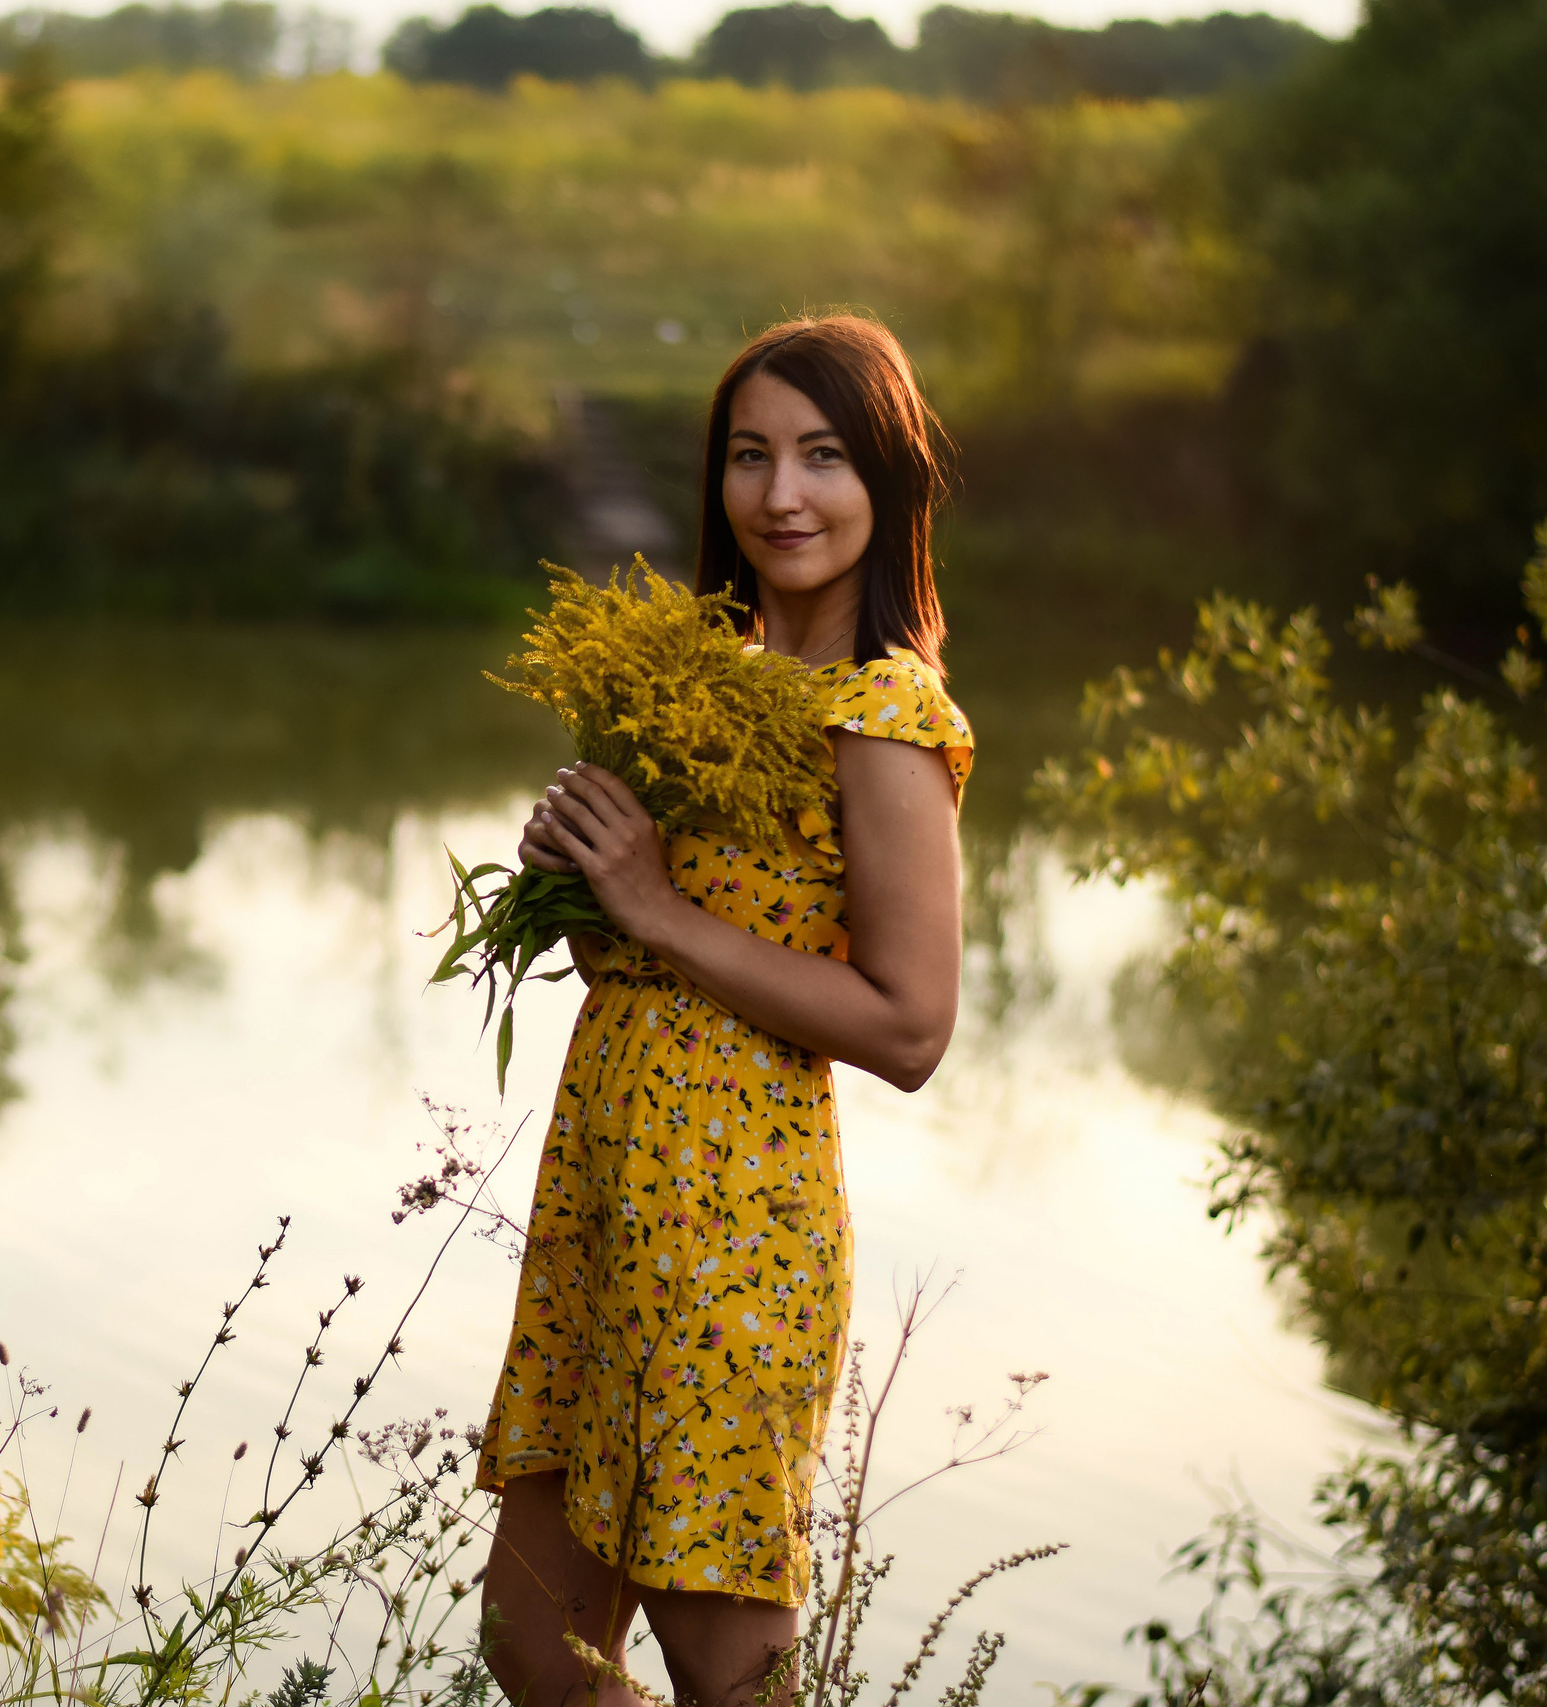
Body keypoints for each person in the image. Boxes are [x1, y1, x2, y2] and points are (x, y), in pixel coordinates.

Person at [476, 315, 973, 1707]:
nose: (781, 495)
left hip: (732, 1236)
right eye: (750, 457)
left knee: (727, 1675)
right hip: (608, 1196)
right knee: (537, 1650)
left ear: (888, 481)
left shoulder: (886, 715)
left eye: (823, 457)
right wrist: (584, 892)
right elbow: (651, 974)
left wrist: (657, 907)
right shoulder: (707, 691)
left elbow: (911, 1028)